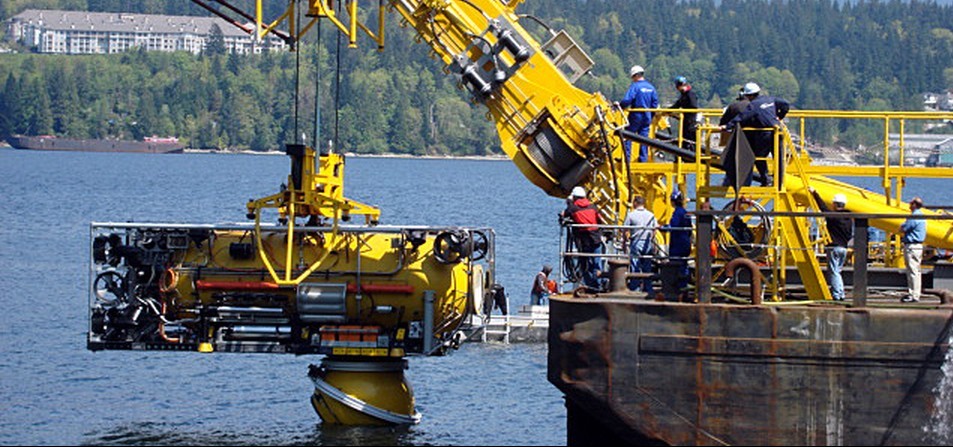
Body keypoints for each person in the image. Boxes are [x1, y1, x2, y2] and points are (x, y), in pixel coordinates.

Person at [722, 82, 791, 186]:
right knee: (778, 157)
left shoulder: (753, 105)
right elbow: (785, 104)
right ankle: (779, 182)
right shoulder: (770, 99)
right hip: (778, 131)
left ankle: (766, 180)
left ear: (748, 95)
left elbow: (741, 117)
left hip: (766, 133)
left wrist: (727, 126)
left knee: (758, 157)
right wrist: (780, 116)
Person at [810, 188, 853, 301]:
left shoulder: (834, 216)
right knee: (838, 271)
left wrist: (815, 193)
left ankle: (837, 295)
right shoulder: (849, 219)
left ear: (834, 204)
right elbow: (849, 235)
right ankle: (841, 293)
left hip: (834, 247)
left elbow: (823, 208)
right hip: (844, 248)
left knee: (834, 272)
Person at [561, 186, 603, 290]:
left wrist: (569, 204)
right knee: (597, 263)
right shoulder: (593, 207)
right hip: (596, 238)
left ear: (575, 197)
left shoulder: (573, 208)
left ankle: (590, 285)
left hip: (584, 240)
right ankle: (599, 284)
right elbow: (600, 219)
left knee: (585, 263)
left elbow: (563, 215)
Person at [618, 65, 659, 162]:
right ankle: (643, 159)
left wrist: (620, 106)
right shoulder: (651, 87)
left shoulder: (635, 86)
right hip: (647, 115)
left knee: (628, 135)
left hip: (636, 115)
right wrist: (651, 115)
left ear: (635, 76)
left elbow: (627, 100)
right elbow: (655, 103)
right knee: (644, 138)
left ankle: (627, 159)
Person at [660, 190, 693, 300]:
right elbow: (689, 229)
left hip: (678, 244)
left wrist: (662, 228)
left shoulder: (677, 213)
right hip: (685, 243)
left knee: (676, 266)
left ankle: (678, 291)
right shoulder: (685, 213)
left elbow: (673, 226)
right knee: (684, 265)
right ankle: (684, 290)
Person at [623, 195, 657, 293]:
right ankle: (648, 287)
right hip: (647, 242)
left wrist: (624, 242)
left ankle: (635, 287)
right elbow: (655, 229)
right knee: (647, 266)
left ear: (635, 203)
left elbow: (625, 230)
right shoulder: (651, 215)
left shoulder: (631, 215)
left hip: (636, 242)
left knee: (635, 265)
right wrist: (652, 240)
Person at [899, 197, 927, 303]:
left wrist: (902, 227)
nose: (909, 205)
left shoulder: (914, 216)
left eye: (911, 203)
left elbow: (904, 228)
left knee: (912, 271)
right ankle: (915, 293)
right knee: (916, 271)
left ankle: (913, 295)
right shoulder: (921, 215)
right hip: (917, 246)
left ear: (914, 204)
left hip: (912, 246)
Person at [670, 76, 699, 149]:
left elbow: (693, 107)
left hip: (690, 123)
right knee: (683, 141)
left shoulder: (690, 95)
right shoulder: (683, 96)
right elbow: (677, 105)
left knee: (691, 142)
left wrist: (683, 114)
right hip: (685, 122)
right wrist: (667, 111)